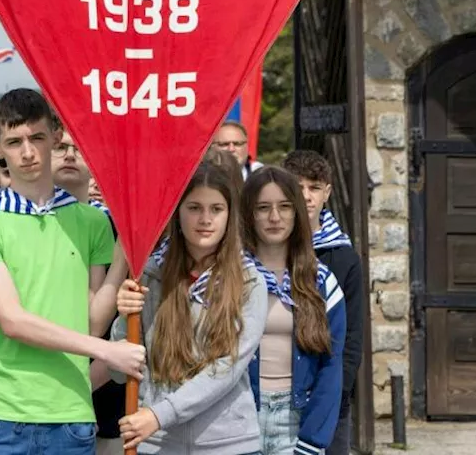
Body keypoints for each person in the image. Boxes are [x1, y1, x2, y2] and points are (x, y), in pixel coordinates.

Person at [0, 89, 140, 455]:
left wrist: (125, 251)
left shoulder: (92, 222)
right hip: (2, 416)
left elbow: (89, 321)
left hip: (72, 414)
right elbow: (12, 320)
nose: (27, 152)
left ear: (55, 137)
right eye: (14, 142)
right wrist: (105, 350)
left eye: (36, 138)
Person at [113, 161, 268, 454]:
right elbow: (119, 371)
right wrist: (123, 317)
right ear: (177, 212)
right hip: (157, 444)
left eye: (216, 209)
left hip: (227, 444)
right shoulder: (148, 275)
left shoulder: (250, 283)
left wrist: (160, 415)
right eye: (194, 207)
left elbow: (226, 369)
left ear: (229, 216)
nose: (205, 219)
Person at [243, 167, 346, 454]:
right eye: (263, 208)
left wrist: (313, 440)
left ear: (297, 213)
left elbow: (331, 365)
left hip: (295, 419)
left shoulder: (322, 281)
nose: (274, 217)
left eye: (285, 207)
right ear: (248, 214)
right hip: (237, 419)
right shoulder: (228, 279)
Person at [280, 151, 365, 455]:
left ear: (327, 192)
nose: (306, 196)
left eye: (314, 188)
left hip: (328, 392)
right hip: (275, 390)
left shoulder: (343, 258)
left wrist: (337, 392)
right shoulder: (268, 249)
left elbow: (353, 334)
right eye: (298, 186)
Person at [51, 130, 124, 455]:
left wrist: (80, 386)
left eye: (79, 147)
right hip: (38, 400)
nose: (69, 155)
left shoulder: (119, 229)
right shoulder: (18, 226)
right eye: (60, 147)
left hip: (108, 400)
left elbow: (132, 323)